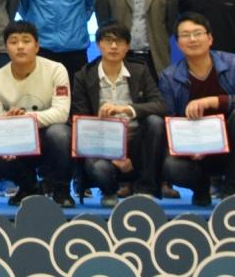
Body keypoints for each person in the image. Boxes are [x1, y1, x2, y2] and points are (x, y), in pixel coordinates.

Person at [158, 12, 235, 207]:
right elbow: (168, 120)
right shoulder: (169, 77)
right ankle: (201, 187)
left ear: (210, 38)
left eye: (198, 33)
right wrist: (189, 147)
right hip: (193, 154)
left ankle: (232, 191)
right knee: (170, 166)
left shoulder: (234, 64)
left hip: (231, 149)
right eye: (185, 35)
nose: (192, 39)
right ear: (178, 43)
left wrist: (214, 101)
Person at [70, 22, 167, 207]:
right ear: (98, 44)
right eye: (108, 41)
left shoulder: (140, 70)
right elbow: (80, 122)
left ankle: (145, 189)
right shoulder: (84, 76)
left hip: (137, 143)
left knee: (155, 122)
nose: (113, 46)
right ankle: (110, 190)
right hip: (101, 144)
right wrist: (112, 154)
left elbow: (161, 106)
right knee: (98, 168)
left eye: (119, 41)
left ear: (127, 46)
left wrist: (126, 109)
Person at [0, 21, 74, 207]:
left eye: (26, 41)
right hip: (16, 138)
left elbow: (61, 113)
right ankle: (29, 187)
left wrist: (25, 119)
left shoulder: (56, 69)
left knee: (60, 133)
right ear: (5, 47)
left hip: (47, 137)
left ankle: (61, 189)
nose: (20, 46)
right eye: (13, 42)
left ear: (37, 46)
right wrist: (9, 121)